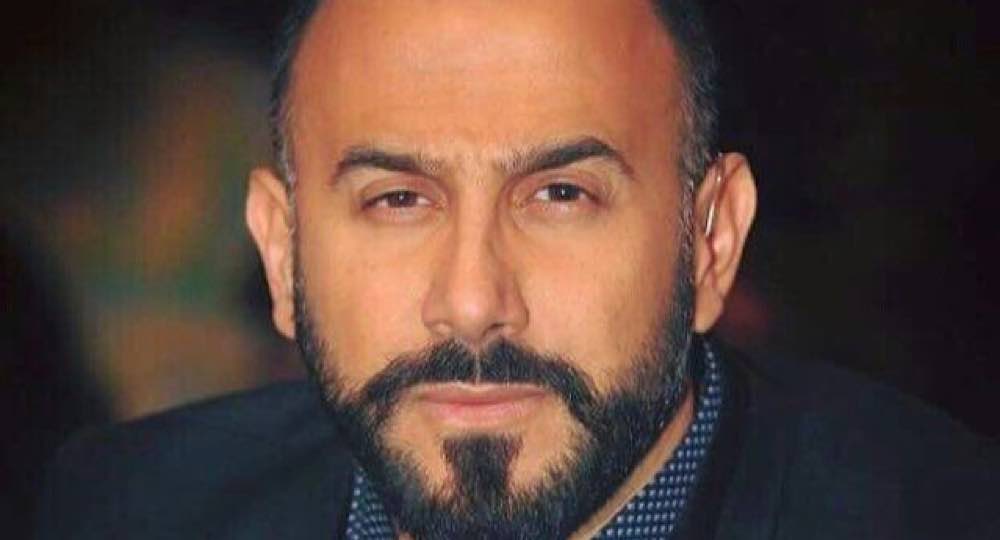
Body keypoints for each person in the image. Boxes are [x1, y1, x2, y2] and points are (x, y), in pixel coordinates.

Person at [37, 1, 998, 538]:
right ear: (282, 251)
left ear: (711, 239)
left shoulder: (942, 514)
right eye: (397, 200)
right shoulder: (123, 510)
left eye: (560, 195)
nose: (471, 304)